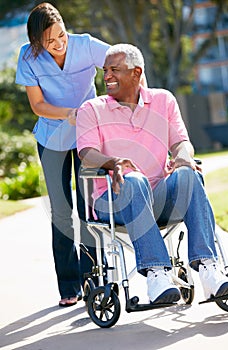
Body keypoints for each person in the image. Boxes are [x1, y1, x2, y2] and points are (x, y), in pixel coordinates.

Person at [76, 43, 228, 305]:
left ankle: (208, 268)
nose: (107, 76)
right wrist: (113, 162)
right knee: (133, 180)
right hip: (112, 202)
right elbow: (86, 153)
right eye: (105, 71)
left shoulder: (164, 100)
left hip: (158, 197)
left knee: (189, 174)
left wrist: (183, 157)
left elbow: (181, 142)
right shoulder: (91, 110)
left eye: (115, 70)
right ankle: (157, 274)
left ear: (136, 73)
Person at [15, 2, 110, 307]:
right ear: (37, 42)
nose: (58, 44)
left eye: (61, 36)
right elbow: (38, 105)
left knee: (89, 208)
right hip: (52, 137)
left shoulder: (86, 45)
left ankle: (93, 277)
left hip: (86, 136)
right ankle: (70, 285)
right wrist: (69, 113)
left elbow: (122, 61)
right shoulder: (28, 58)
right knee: (61, 213)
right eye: (49, 41)